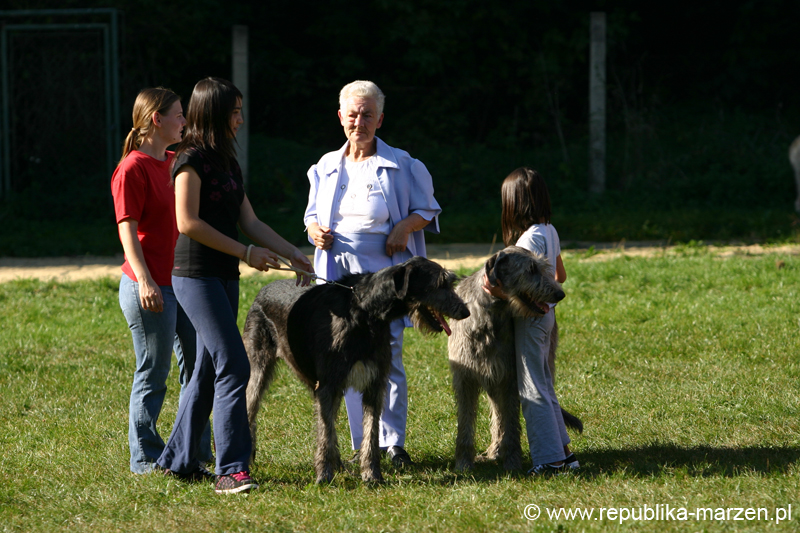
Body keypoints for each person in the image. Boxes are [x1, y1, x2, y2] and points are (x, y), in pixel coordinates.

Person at [156, 77, 313, 494]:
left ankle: (178, 460)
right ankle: (231, 470)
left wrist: (293, 252)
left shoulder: (226, 161)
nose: (241, 120)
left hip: (223, 275)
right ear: (213, 113)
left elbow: (251, 221)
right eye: (235, 112)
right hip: (194, 276)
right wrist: (246, 253)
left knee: (207, 370)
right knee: (235, 365)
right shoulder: (189, 160)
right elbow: (187, 222)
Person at [304, 80, 441, 466]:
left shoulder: (402, 164)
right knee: (343, 355)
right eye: (352, 114)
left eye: (367, 115)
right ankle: (362, 443)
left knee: (388, 354)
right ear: (340, 117)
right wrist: (314, 230)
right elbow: (311, 213)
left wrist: (403, 228)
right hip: (339, 277)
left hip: (385, 276)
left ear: (380, 119)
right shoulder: (326, 166)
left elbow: (427, 209)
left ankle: (393, 442)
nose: (359, 122)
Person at [111, 87, 212, 475]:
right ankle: (146, 458)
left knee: (200, 366)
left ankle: (192, 451)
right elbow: (127, 231)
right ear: (157, 119)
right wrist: (145, 281)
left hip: (185, 282)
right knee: (154, 371)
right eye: (179, 115)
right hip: (149, 285)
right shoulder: (132, 168)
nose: (185, 121)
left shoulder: (175, 163)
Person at [483, 167, 578, 475]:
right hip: (548, 318)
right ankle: (565, 454)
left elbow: (497, 285)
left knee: (532, 389)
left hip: (533, 320)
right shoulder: (549, 230)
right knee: (545, 385)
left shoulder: (528, 239)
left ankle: (549, 461)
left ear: (513, 203)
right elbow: (559, 276)